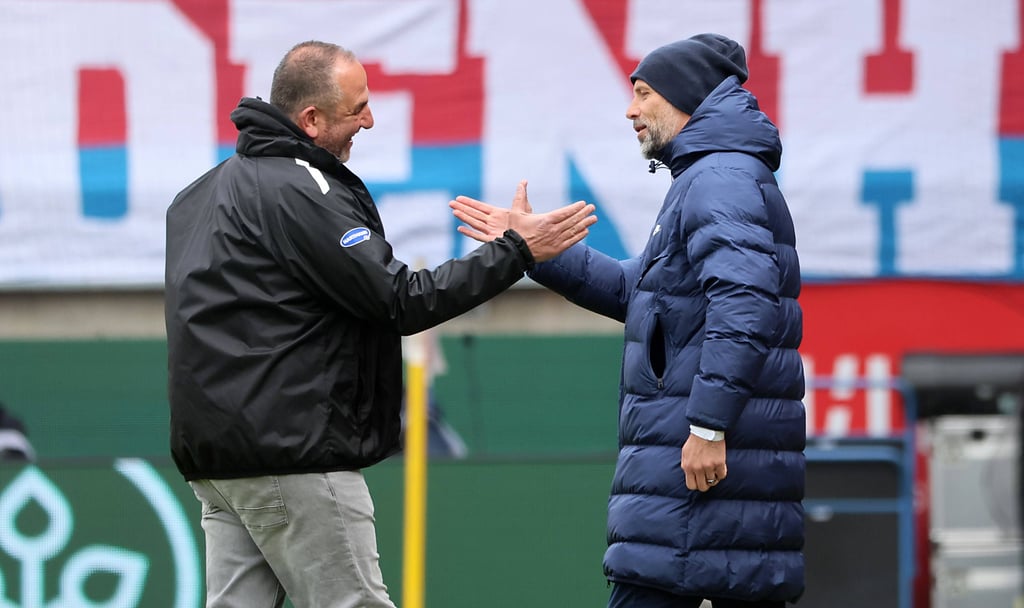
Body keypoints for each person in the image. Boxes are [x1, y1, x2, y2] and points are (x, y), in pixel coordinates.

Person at [164, 40, 595, 608]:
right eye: (357, 108)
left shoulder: (199, 193)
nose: (369, 119)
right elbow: (400, 299)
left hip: (218, 460)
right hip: (292, 453)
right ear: (311, 120)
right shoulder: (302, 189)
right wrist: (517, 250)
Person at [451, 33, 805, 607]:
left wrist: (708, 427)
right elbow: (640, 293)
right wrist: (533, 249)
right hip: (692, 494)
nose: (630, 110)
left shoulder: (719, 179)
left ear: (686, 97)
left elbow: (745, 304)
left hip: (699, 480)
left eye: (643, 93)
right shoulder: (707, 177)